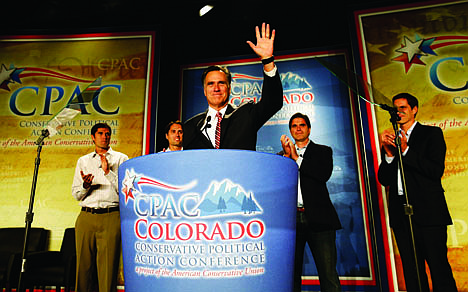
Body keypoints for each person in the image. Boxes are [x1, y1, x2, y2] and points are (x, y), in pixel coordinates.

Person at [377, 93, 457, 292]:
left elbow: (434, 170)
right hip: (401, 215)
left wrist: (405, 150)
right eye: (396, 109)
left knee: (438, 269)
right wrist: (388, 154)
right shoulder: (391, 139)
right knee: (412, 272)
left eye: (403, 108)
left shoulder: (431, 134)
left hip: (429, 214)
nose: (399, 112)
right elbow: (384, 179)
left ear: (414, 109)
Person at [183, 23, 283, 150]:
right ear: (204, 91)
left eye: (221, 83)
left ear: (229, 88)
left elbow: (273, 102)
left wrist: (267, 60)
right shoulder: (191, 126)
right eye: (211, 84)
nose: (216, 88)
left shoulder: (245, 114)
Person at [280, 112, 342, 292]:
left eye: (302, 125)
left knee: (328, 274)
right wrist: (286, 158)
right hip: (291, 222)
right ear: (290, 130)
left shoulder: (323, 151)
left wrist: (297, 159)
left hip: (319, 220)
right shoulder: (281, 157)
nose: (298, 128)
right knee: (291, 275)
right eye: (294, 126)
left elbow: (322, 175)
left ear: (309, 128)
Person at [71, 122, 129, 292]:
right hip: (86, 217)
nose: (105, 136)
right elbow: (76, 194)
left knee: (108, 269)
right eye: (101, 133)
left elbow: (126, 192)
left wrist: (107, 172)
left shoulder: (121, 159)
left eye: (108, 133)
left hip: (111, 216)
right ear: (93, 137)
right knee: (83, 267)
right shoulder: (83, 161)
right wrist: (85, 186)